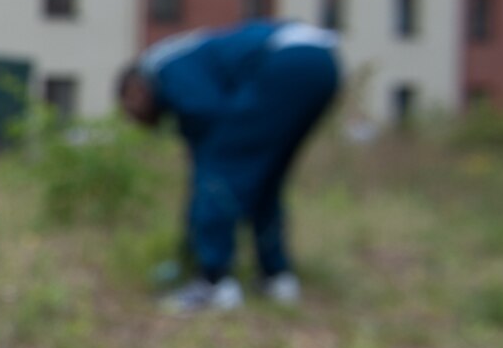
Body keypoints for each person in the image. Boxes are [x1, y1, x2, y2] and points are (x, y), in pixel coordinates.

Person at [117, 20, 341, 313]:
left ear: (135, 90)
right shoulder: (182, 57)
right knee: (265, 179)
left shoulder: (162, 69)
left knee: (219, 170)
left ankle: (213, 282)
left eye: (132, 110)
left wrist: (205, 189)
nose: (138, 120)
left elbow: (211, 125)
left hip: (287, 62)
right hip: (322, 62)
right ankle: (276, 277)